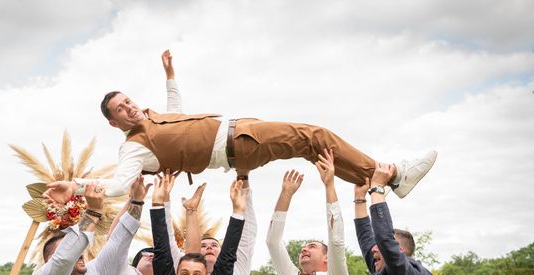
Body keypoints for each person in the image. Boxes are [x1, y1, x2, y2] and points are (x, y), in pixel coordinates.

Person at [45, 50, 436, 202]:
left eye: (128, 100)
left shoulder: (152, 119)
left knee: (311, 148)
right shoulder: (132, 148)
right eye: (121, 109)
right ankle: (395, 171)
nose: (130, 107)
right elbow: (114, 187)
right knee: (315, 135)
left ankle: (379, 181)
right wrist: (76, 185)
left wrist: (170, 74)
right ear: (114, 123)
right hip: (237, 143)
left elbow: (176, 112)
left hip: (241, 130)